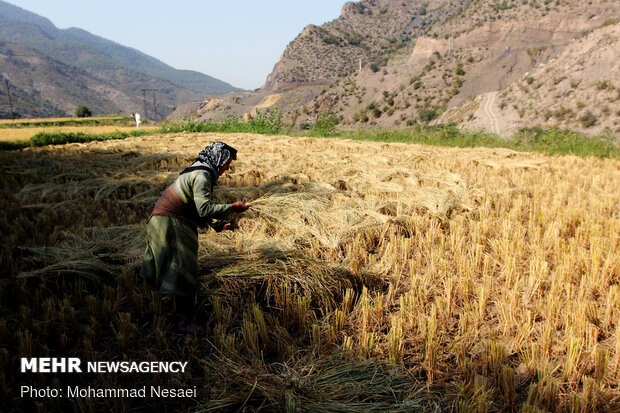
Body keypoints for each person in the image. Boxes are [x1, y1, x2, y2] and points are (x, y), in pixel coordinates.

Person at [140, 142, 249, 334]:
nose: (227, 168)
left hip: (164, 221)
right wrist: (232, 208)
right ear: (218, 159)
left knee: (175, 265)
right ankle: (184, 322)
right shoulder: (202, 175)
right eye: (227, 163)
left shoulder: (198, 170)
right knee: (184, 268)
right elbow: (204, 208)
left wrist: (218, 225)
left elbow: (195, 209)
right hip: (170, 223)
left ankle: (165, 308)